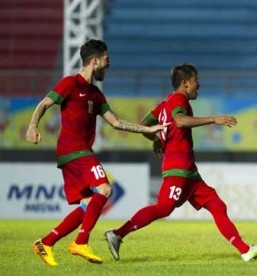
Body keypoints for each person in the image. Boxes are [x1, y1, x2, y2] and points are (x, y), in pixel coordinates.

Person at [104, 63, 257, 262]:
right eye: (195, 81)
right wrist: (213, 119)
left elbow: (143, 126)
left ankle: (245, 250)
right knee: (164, 207)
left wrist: (156, 139)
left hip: (189, 171)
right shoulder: (178, 99)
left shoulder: (164, 104)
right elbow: (181, 121)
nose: (198, 85)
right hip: (178, 168)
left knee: (216, 204)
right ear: (185, 83)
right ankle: (117, 234)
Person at [26, 39, 167, 266]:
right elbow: (44, 104)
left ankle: (46, 242)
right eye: (106, 60)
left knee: (88, 204)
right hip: (74, 149)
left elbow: (117, 123)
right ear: (95, 61)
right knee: (105, 188)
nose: (108, 65)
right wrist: (33, 126)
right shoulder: (70, 83)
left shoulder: (95, 94)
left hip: (75, 153)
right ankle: (81, 242)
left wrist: (147, 129)